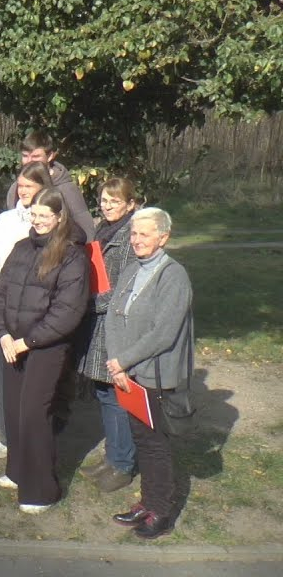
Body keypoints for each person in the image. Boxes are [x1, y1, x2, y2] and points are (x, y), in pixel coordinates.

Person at [0, 188, 89, 514]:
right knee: (15, 411)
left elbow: (67, 312)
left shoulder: (72, 256)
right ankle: (18, 471)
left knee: (34, 412)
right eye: (34, 215)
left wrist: (28, 342)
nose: (39, 221)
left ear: (60, 217)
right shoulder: (21, 248)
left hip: (45, 348)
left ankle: (42, 489)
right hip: (12, 344)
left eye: (46, 216)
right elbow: (1, 293)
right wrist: (3, 333)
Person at [104, 207, 193, 540]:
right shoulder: (130, 270)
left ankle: (162, 510)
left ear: (163, 237)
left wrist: (124, 361)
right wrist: (117, 362)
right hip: (128, 374)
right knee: (142, 440)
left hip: (154, 375)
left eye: (144, 234)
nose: (137, 240)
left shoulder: (174, 276)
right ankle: (148, 500)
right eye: (134, 233)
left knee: (156, 445)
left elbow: (163, 332)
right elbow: (114, 315)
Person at [0, 161, 53, 459]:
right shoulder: (6, 219)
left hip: (34, 313)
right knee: (3, 376)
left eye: (30, 186)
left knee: (31, 383)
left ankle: (30, 439)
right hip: (3, 307)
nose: (23, 191)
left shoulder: (49, 221)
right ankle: (7, 434)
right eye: (20, 185)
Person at [77, 178, 141, 493]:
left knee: (117, 395)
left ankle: (123, 464)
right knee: (103, 393)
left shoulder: (131, 237)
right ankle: (112, 456)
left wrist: (88, 304)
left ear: (130, 204)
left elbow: (125, 288)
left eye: (114, 201)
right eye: (104, 200)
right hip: (98, 321)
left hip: (114, 323)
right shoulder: (103, 229)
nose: (107, 206)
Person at [3, 131, 95, 240]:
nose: (29, 161)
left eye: (35, 156)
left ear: (50, 156)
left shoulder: (67, 189)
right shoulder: (15, 189)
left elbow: (86, 229)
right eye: (25, 156)